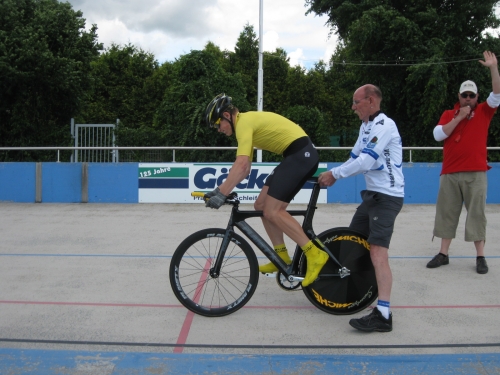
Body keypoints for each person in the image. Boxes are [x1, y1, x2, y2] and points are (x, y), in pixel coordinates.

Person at [203, 93, 328, 287]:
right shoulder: (246, 123)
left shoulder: (243, 123)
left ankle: (314, 253)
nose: (218, 129)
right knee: (261, 205)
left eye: (218, 124)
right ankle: (282, 257)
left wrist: (222, 193)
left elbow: (242, 164)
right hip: (295, 155)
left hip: (301, 155)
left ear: (227, 115)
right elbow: (245, 170)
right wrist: (220, 189)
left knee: (273, 210)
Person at [318, 84, 404, 333]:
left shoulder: (384, 125)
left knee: (377, 253)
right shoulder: (365, 126)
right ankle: (358, 292)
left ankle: (384, 314)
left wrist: (334, 174)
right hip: (372, 197)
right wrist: (329, 172)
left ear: (371, 101)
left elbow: (366, 160)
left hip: (387, 197)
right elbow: (355, 157)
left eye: (356, 102)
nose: (353, 107)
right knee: (353, 244)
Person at [427, 51, 500, 275]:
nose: (468, 98)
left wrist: (493, 68)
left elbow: (497, 93)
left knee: (477, 214)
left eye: (472, 95)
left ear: (477, 97)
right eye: (464, 95)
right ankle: (443, 254)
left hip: (476, 173)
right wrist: (458, 117)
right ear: (459, 96)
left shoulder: (485, 112)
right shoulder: (449, 113)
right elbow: (438, 135)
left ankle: (480, 256)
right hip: (450, 173)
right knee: (446, 213)